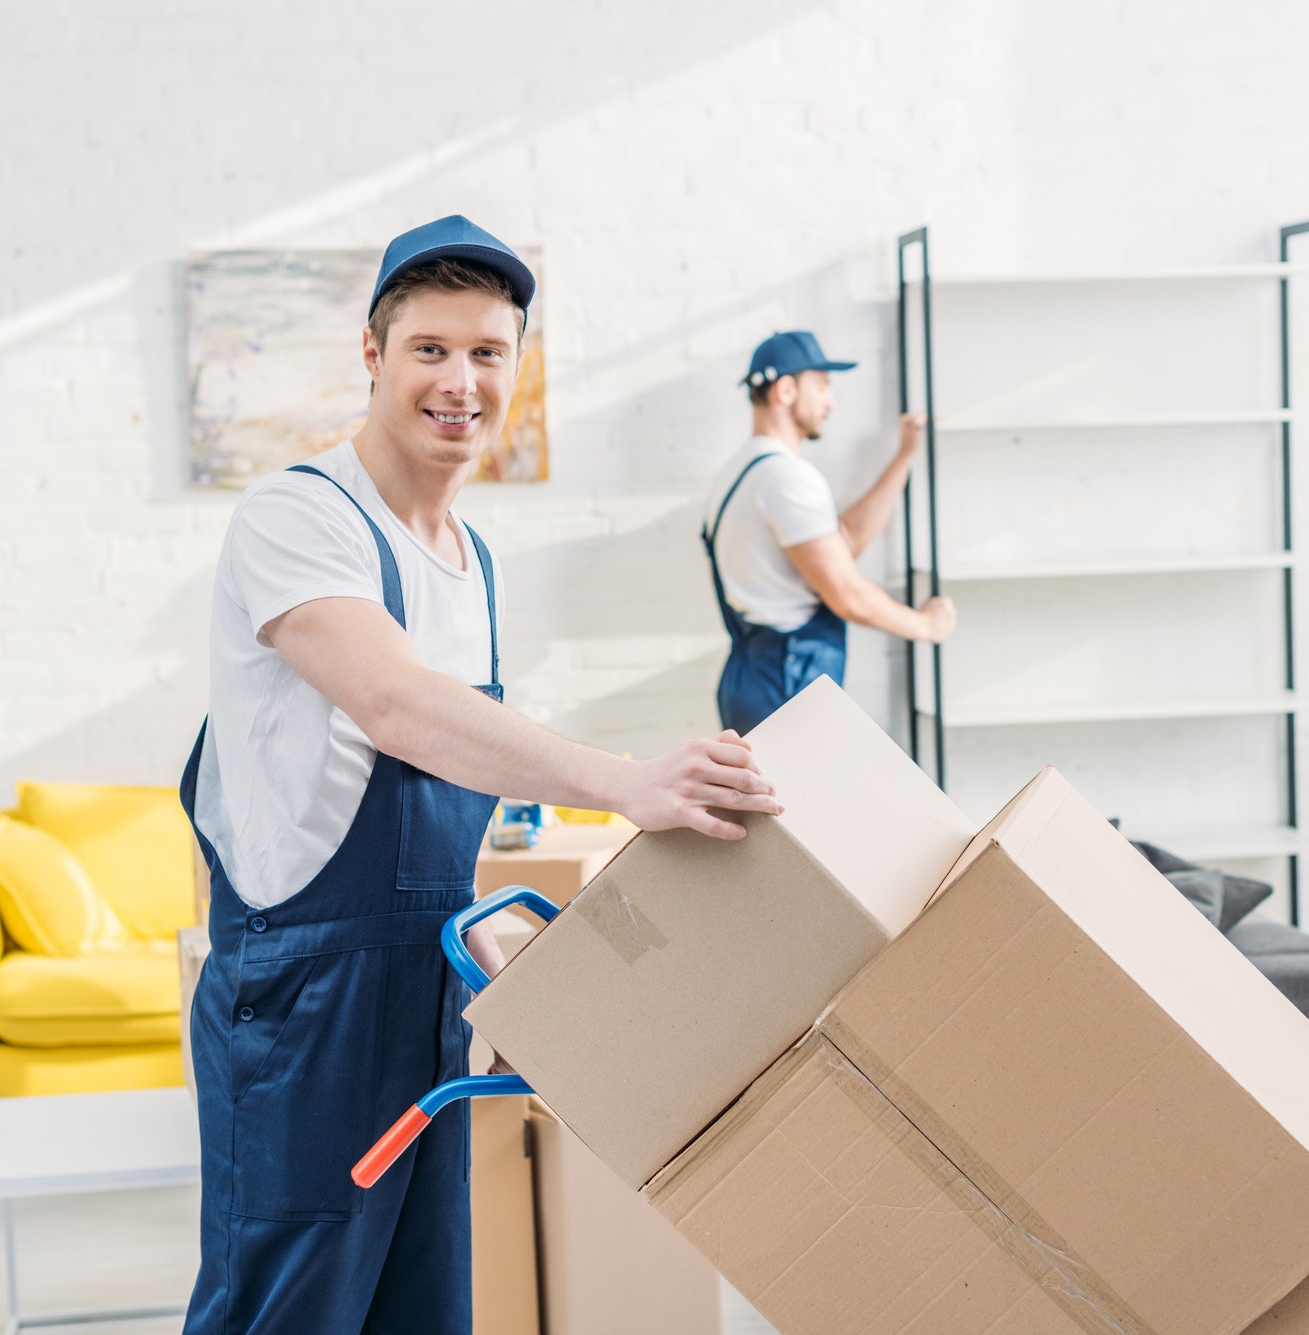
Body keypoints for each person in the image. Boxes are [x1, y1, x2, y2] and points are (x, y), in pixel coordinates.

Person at [177, 216, 780, 1335]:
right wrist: (627, 781)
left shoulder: (468, 560)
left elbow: (445, 772)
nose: (460, 381)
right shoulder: (298, 518)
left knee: (423, 1310)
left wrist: (470, 940)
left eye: (488, 353)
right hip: (304, 1004)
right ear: (373, 358)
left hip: (424, 993)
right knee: (290, 1314)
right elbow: (395, 707)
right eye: (429, 349)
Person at [701, 331, 957, 733]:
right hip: (787, 681)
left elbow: (844, 540)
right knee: (801, 797)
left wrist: (906, 454)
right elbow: (846, 593)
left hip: (753, 675)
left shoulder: (742, 470)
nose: (830, 402)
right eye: (822, 386)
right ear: (786, 390)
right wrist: (924, 626)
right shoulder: (786, 477)